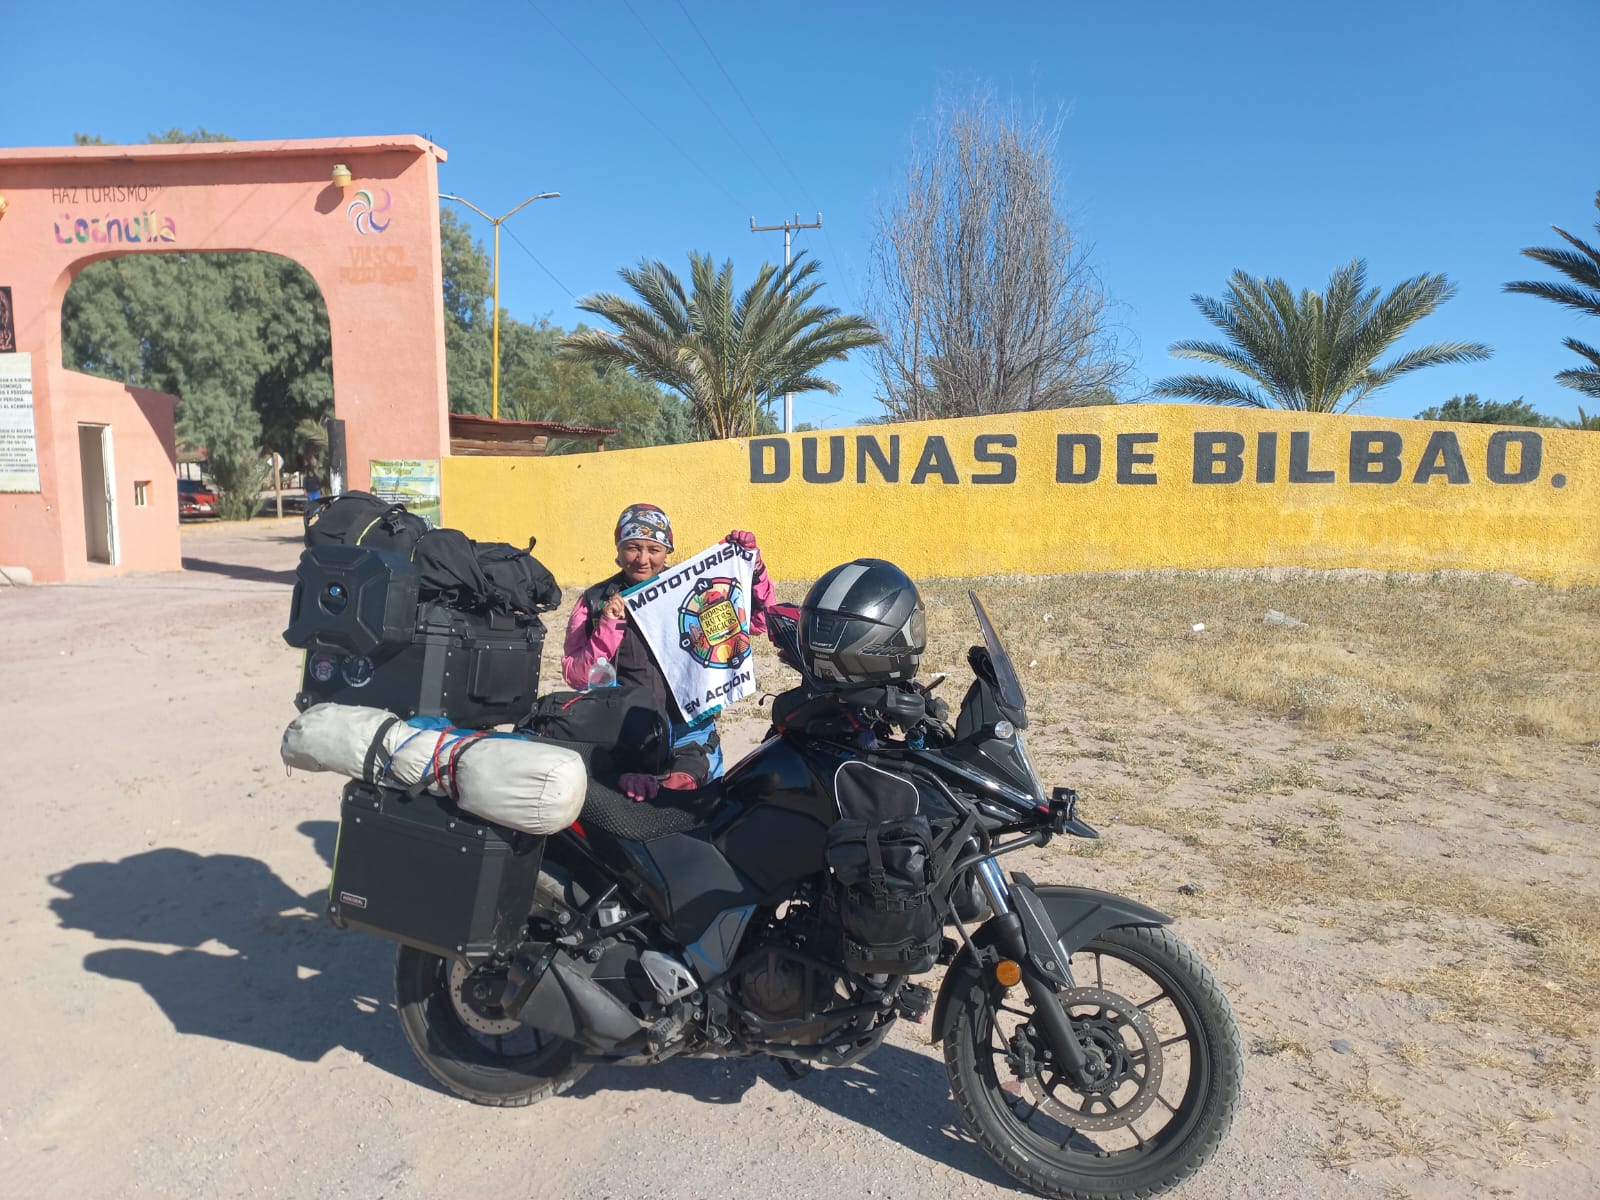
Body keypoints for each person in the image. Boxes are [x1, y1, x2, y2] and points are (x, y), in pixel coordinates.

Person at [562, 503, 774, 781]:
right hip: (629, 734)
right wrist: (610, 626)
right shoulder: (595, 601)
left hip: (694, 733)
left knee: (703, 815)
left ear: (667, 551)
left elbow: (758, 622)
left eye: (654, 549)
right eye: (633, 547)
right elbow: (575, 675)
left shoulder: (690, 590)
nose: (642, 559)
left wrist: (752, 568)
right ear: (618, 547)